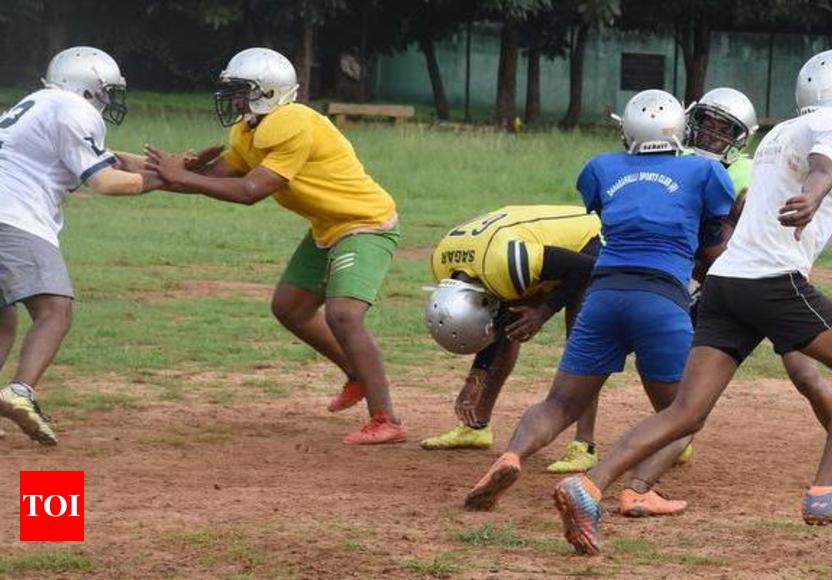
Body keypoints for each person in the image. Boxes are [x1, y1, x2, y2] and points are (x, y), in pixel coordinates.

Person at [553, 49, 832, 556]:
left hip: (727, 282)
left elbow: (768, 205)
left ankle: (589, 485)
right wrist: (819, 192)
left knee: (686, 412)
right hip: (772, 281)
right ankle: (824, 492)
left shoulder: (779, 134)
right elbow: (823, 166)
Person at [463, 89, 735, 517]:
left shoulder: (602, 167)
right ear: (681, 129)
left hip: (602, 292)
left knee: (560, 403)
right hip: (661, 297)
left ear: (626, 129)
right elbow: (712, 239)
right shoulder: (704, 171)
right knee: (683, 413)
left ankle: (511, 457)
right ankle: (638, 489)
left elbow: (609, 209)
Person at [144, 48, 404, 444]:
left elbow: (250, 191)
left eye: (240, 91)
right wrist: (176, 172)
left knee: (344, 315)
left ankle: (387, 419)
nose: (232, 100)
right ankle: (356, 374)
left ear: (266, 93)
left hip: (365, 222)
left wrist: (181, 179)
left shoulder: (292, 122)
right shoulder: (249, 130)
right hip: (329, 224)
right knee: (291, 307)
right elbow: (220, 174)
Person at [685, 87, 832, 495]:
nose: (713, 135)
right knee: (690, 405)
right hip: (753, 283)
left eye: (725, 129)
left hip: (750, 280)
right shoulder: (686, 165)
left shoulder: (746, 167)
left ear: (742, 135)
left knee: (805, 375)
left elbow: (793, 221)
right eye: (708, 124)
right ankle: (831, 483)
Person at [0, 47, 163, 446]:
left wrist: (160, 165)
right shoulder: (76, 110)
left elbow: (100, 157)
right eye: (106, 91)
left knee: (1, 322)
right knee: (55, 309)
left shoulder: (36, 103)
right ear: (89, 88)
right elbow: (105, 180)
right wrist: (166, 181)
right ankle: (19, 391)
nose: (108, 101)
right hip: (13, 217)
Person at [421, 205, 607, 473]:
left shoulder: (505, 264)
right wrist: (476, 376)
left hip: (587, 243)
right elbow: (494, 316)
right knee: (511, 324)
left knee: (581, 339)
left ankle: (584, 445)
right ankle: (476, 427)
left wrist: (543, 311)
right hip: (526, 252)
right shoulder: (446, 270)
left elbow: (588, 269)